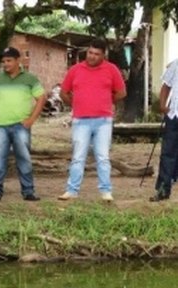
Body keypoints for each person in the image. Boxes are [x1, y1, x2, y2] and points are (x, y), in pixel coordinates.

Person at [58, 38, 126, 202]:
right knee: (78, 157)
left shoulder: (111, 69)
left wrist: (107, 102)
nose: (92, 56)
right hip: (80, 120)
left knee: (102, 157)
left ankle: (106, 192)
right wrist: (75, 104)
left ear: (103, 55)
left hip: (103, 120)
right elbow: (64, 92)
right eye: (90, 52)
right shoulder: (75, 70)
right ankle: (71, 190)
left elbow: (121, 92)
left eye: (96, 54)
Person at [0, 47, 46, 202]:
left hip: (21, 125)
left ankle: (28, 191)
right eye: (3, 61)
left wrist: (31, 120)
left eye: (9, 61)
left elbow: (41, 98)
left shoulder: (30, 79)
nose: (5, 64)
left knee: (24, 158)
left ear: (18, 61)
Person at [150, 58, 178, 201]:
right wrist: (162, 105)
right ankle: (163, 190)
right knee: (168, 153)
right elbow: (166, 86)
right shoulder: (176, 64)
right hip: (174, 116)